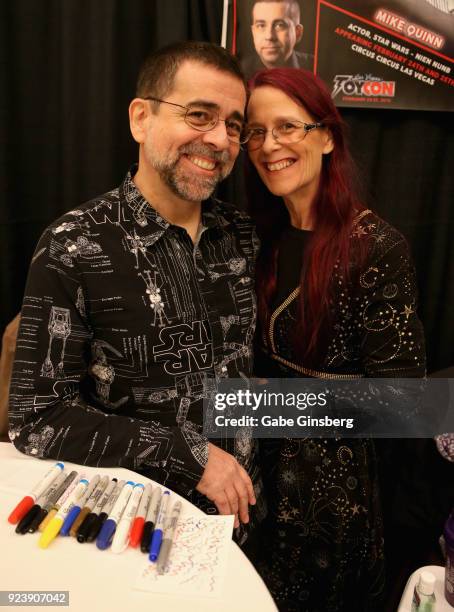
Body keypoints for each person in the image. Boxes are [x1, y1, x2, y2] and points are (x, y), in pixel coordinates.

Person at [8, 41, 265, 544]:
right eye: (198, 115)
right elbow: (37, 418)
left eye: (233, 125)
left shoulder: (243, 236)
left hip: (243, 525)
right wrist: (188, 454)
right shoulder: (74, 246)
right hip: (133, 531)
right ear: (141, 118)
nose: (218, 139)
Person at [243, 67, 426, 610]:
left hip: (333, 503)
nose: (269, 145)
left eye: (287, 127)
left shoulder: (376, 247)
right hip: (261, 481)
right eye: (256, 131)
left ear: (326, 137)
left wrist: (257, 406)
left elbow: (406, 409)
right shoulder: (261, 238)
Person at [242, 0, 314, 79]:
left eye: (280, 25)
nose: (269, 36)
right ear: (253, 32)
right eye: (261, 26)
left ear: (297, 33)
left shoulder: (316, 68)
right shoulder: (239, 72)